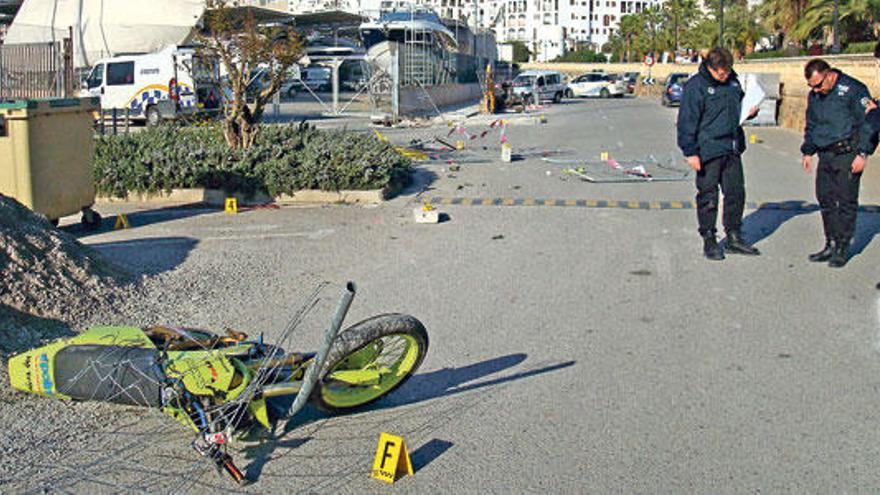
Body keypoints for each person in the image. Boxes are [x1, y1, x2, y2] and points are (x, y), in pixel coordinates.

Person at [677, 47, 760, 260]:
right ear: (710, 68)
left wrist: (750, 112)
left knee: (736, 194)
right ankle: (709, 239)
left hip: (731, 147)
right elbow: (686, 122)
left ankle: (734, 236)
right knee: (708, 197)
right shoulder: (696, 86)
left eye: (727, 71)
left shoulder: (733, 82)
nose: (724, 76)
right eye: (720, 73)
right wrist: (690, 152)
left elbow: (739, 107)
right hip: (707, 150)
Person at [801, 59, 875, 268]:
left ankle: (843, 246)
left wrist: (863, 153)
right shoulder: (815, 95)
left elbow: (870, 124)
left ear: (830, 74)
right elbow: (812, 123)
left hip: (848, 154)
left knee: (845, 201)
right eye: (811, 86)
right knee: (825, 198)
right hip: (825, 153)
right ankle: (830, 242)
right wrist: (808, 150)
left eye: (818, 84)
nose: (816, 90)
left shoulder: (853, 90)